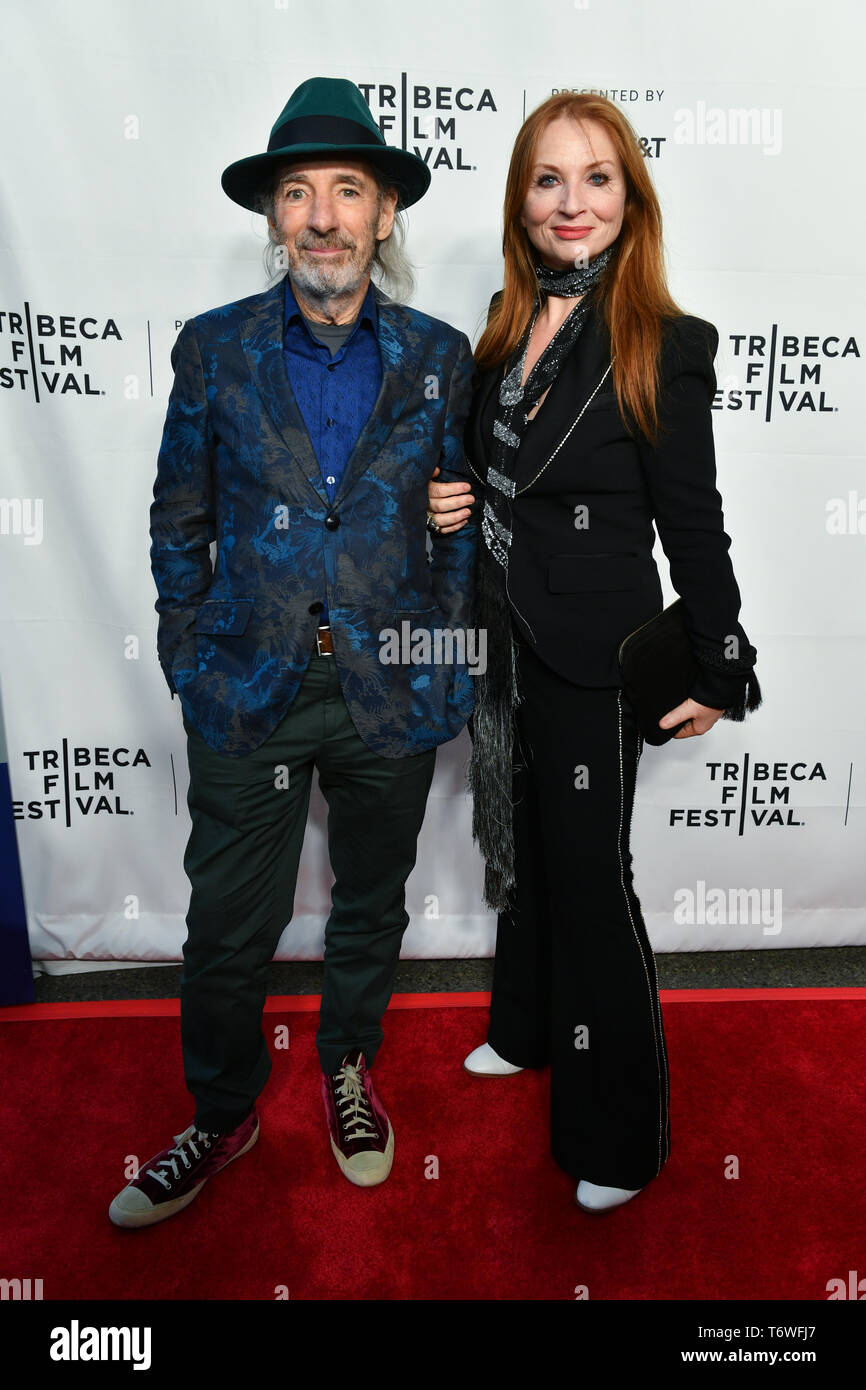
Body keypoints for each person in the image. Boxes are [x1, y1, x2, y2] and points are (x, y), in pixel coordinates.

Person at [109, 77, 477, 1228]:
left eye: (347, 192)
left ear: (382, 216)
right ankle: (221, 1113)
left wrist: (449, 660)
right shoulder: (213, 352)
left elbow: (455, 516)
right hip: (247, 685)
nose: (322, 216)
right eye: (298, 194)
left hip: (391, 683)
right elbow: (178, 520)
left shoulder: (436, 353)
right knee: (226, 925)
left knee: (371, 901)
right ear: (272, 218)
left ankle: (348, 1070)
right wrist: (189, 656)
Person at [427, 92, 762, 1213]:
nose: (570, 202)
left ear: (630, 198)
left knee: (587, 878)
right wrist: (456, 498)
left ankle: (620, 1138)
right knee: (523, 857)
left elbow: (692, 520)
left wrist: (717, 664)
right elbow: (499, 469)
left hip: (592, 650)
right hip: (503, 643)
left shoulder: (664, 345)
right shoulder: (499, 320)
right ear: (520, 202)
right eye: (546, 179)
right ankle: (525, 1032)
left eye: (596, 178)